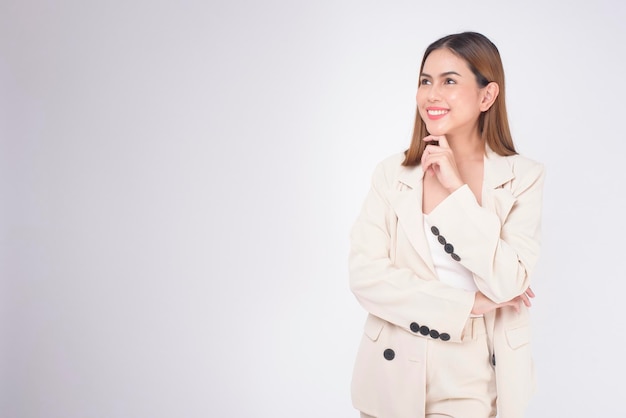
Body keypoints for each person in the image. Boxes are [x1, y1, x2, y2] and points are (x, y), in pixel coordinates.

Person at [349, 32, 545, 418]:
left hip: (475, 369)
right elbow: (365, 276)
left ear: (487, 96)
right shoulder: (392, 174)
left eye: (449, 81)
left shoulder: (523, 176)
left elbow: (508, 283)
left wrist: (456, 190)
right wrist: (469, 304)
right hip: (393, 359)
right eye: (425, 81)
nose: (431, 94)